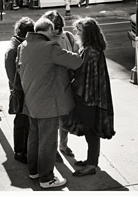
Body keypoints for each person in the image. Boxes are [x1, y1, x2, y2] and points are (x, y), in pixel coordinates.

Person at [17, 17, 82, 189]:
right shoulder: (49, 47)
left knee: (34, 137)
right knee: (48, 141)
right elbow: (75, 61)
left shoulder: (23, 46)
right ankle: (47, 178)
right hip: (47, 103)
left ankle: (34, 171)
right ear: (50, 31)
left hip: (30, 101)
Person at [65, 17, 115, 177]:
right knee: (90, 130)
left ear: (87, 33)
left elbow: (82, 75)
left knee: (91, 131)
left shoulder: (89, 51)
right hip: (93, 96)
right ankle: (91, 160)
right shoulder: (92, 48)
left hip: (88, 97)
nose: (77, 33)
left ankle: (92, 164)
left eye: (79, 31)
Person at [42, 10, 79, 162]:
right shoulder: (44, 39)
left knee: (65, 118)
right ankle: (53, 148)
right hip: (50, 85)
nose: (56, 30)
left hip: (66, 83)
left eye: (59, 27)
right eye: (54, 27)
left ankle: (63, 145)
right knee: (52, 121)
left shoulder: (68, 36)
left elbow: (76, 53)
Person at [5, 17, 35, 164]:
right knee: (21, 122)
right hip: (20, 90)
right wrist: (22, 89)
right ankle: (19, 151)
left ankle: (23, 149)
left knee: (24, 122)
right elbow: (12, 75)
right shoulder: (14, 49)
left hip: (23, 88)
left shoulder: (18, 44)